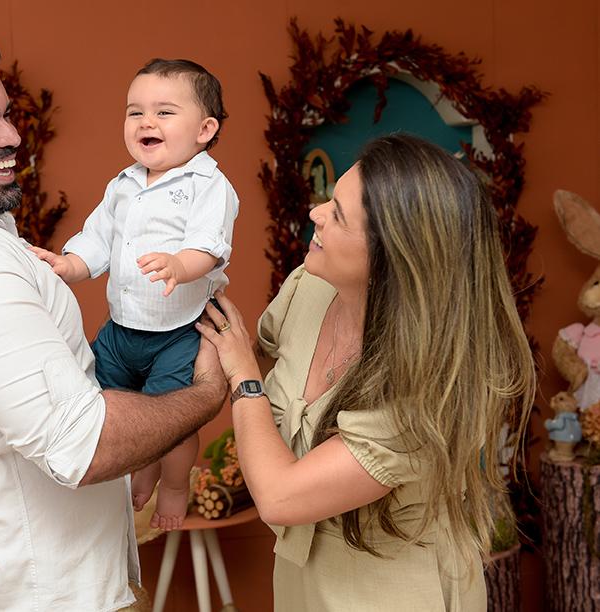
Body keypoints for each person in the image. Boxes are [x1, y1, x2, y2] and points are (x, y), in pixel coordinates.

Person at [0, 34, 227, 611]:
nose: (11, 135)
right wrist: (208, 392)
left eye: (5, 114)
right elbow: (81, 447)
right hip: (38, 594)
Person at [197, 134, 535, 611]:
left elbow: (279, 497)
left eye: (337, 214)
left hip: (390, 594)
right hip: (300, 584)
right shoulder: (310, 285)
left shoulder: (419, 393)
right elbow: (250, 355)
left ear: (391, 257)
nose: (315, 212)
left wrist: (243, 378)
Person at [32, 58, 238, 531]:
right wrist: (70, 264)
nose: (146, 122)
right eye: (135, 112)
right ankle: (140, 468)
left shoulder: (209, 185)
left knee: (172, 419)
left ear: (205, 129)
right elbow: (98, 238)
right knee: (104, 402)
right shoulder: (123, 184)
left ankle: (175, 485)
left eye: (164, 112)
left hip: (179, 330)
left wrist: (180, 265)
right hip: (123, 328)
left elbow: (209, 246)